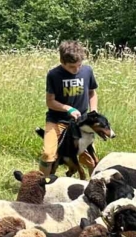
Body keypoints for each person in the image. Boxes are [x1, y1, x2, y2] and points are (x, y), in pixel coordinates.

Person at [41, 40, 99, 176]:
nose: (76, 69)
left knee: (91, 159)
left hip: (81, 123)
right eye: (72, 67)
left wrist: (94, 110)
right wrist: (68, 108)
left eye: (79, 65)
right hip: (57, 120)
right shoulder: (54, 75)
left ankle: (96, 186)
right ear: (62, 62)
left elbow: (92, 92)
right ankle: (40, 185)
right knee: (48, 154)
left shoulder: (87, 71)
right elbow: (50, 102)